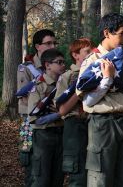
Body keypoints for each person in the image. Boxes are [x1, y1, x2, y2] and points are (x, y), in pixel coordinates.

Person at [76, 13, 123, 187]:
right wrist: (107, 80)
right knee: (100, 179)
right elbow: (87, 102)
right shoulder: (93, 61)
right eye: (121, 33)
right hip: (102, 124)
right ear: (107, 33)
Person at [16, 29, 57, 186]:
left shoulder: (56, 65)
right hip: (31, 120)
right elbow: (24, 96)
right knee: (32, 164)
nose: (52, 45)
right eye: (48, 43)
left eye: (54, 43)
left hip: (52, 122)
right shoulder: (26, 68)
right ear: (38, 46)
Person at [55, 37, 95, 186]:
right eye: (87, 51)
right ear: (75, 55)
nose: (91, 54)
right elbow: (62, 110)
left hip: (94, 124)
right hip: (75, 125)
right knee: (78, 174)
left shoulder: (97, 73)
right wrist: (79, 92)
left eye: (93, 51)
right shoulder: (67, 77)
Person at [27, 48, 66, 187]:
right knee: (41, 178)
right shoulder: (38, 86)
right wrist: (58, 114)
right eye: (59, 62)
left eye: (64, 62)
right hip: (44, 134)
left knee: (58, 178)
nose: (63, 65)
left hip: (62, 134)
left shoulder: (66, 85)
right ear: (47, 65)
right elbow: (34, 118)